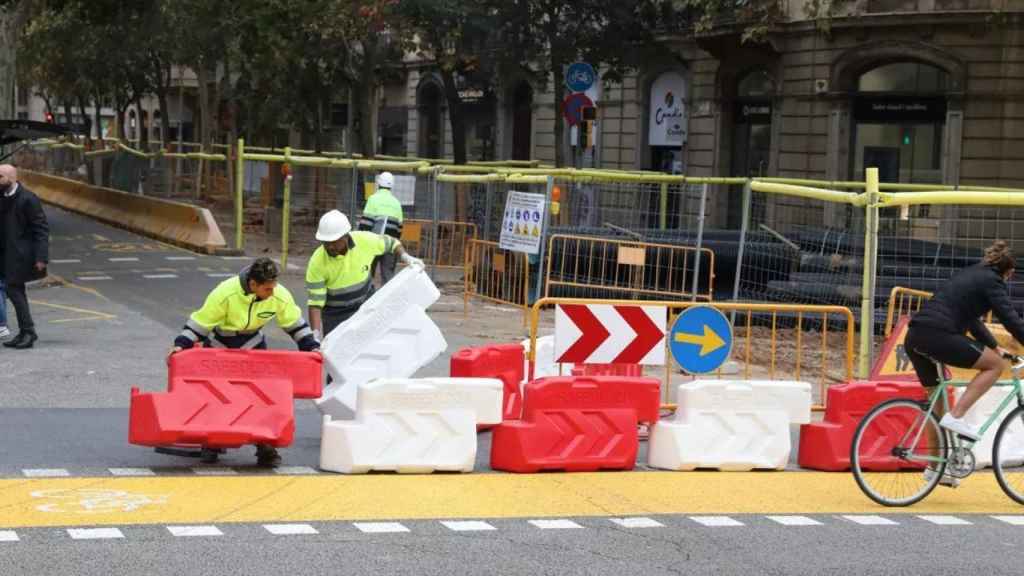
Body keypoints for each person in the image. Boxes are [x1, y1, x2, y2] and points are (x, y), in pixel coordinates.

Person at [168, 257, 320, 467]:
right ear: (253, 284)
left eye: (274, 286)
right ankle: (211, 443)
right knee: (215, 396)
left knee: (262, 398)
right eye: (267, 288)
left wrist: (311, 347)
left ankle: (265, 446)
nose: (272, 292)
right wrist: (180, 345)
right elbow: (200, 324)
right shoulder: (225, 293)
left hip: (253, 345)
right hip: (221, 347)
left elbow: (295, 325)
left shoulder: (278, 294)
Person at [906, 240, 1024, 449]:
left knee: (936, 406)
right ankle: (957, 416)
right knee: (995, 365)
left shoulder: (971, 273)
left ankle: (935, 465)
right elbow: (1010, 319)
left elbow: (971, 320)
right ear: (1010, 272)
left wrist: (994, 346)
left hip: (916, 335)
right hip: (939, 334)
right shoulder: (993, 282)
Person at [306, 210, 423, 341]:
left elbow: (392, 243)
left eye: (334, 242)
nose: (329, 246)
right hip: (335, 314)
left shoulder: (364, 241)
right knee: (338, 349)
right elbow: (315, 304)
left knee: (373, 343)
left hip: (366, 305)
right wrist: (315, 334)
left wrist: (405, 256)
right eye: (325, 242)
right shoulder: (317, 262)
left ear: (346, 236)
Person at [0, 164, 49, 350]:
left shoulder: (28, 198)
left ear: (11, 178)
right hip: (5, 254)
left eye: (0, 177)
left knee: (13, 290)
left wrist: (41, 258)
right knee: (15, 291)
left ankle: (29, 332)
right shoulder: (3, 195)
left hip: (20, 255)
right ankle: (24, 332)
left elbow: (41, 229)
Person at [358, 171, 405, 285]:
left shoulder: (372, 199)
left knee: (367, 274)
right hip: (390, 244)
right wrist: (393, 244)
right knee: (388, 276)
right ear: (392, 186)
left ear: (378, 183)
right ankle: (387, 296)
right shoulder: (397, 203)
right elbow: (399, 229)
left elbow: (365, 224)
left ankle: (367, 294)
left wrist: (360, 243)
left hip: (372, 243)